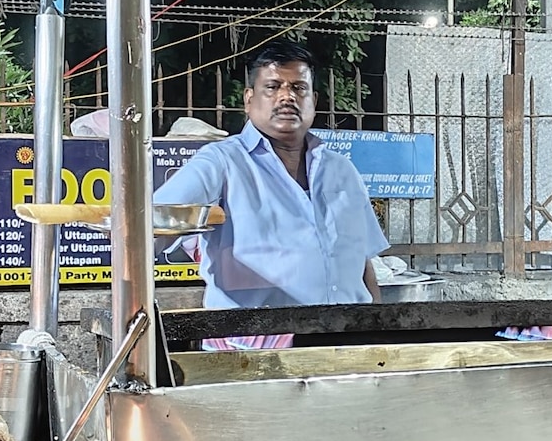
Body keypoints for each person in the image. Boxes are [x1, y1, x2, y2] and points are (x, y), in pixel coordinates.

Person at [152, 41, 387, 315]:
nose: (287, 97)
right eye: (273, 87)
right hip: (254, 350)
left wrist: (375, 330)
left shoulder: (342, 170)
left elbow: (363, 264)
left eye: (299, 88)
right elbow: (154, 225)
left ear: (315, 101)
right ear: (249, 99)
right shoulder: (221, 162)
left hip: (344, 343)